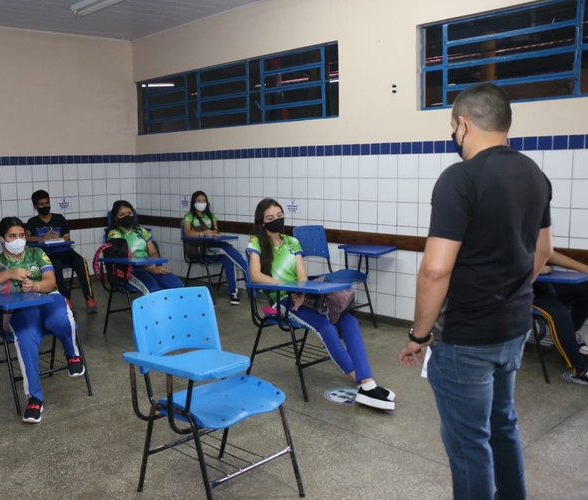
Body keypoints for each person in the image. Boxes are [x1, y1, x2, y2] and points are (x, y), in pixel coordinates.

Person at [398, 83, 552, 500]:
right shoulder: (535, 175)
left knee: (469, 446)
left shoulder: (460, 178)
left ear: (463, 124)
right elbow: (543, 251)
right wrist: (509, 291)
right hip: (514, 328)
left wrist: (419, 335)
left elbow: (435, 270)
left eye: (452, 125)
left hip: (465, 338)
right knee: (503, 425)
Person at [247, 198, 395, 411]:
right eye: (270, 218)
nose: (277, 221)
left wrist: (301, 289)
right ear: (262, 222)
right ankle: (363, 384)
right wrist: (289, 287)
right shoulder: (256, 243)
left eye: (279, 216)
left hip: (302, 295)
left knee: (349, 321)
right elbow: (255, 275)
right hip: (282, 300)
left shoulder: (292, 242)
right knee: (326, 327)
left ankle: (367, 380)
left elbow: (302, 275)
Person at [0, 216, 86, 424]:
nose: (17, 240)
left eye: (21, 235)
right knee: (26, 338)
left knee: (60, 318)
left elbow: (51, 281)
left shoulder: (37, 253)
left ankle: (72, 354)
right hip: (21, 309)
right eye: (12, 236)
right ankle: (35, 398)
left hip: (47, 299)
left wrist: (34, 286)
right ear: (2, 239)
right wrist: (10, 273)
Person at [25, 190, 98, 313]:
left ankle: (89, 298)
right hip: (47, 255)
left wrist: (58, 236)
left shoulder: (59, 218)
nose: (45, 206)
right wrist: (42, 238)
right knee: (55, 266)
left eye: (47, 203)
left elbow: (67, 238)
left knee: (80, 261)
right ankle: (65, 299)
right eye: (41, 204)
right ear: (35, 206)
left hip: (64, 250)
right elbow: (26, 238)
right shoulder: (32, 222)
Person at [533, 250, 588, 384]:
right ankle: (580, 369)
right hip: (520, 290)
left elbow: (548, 253)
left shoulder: (529, 230)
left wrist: (586, 269)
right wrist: (532, 267)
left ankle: (569, 337)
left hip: (543, 285)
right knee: (559, 314)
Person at [183, 190, 248, 305]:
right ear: (194, 202)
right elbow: (187, 232)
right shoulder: (189, 217)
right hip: (199, 251)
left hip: (212, 247)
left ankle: (233, 293)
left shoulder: (211, 216)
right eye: (199, 201)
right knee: (225, 248)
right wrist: (203, 234)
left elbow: (216, 230)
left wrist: (213, 233)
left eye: (204, 200)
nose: (202, 203)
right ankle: (248, 270)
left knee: (227, 258)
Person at [106, 200, 184, 294]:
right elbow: (128, 255)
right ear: (115, 218)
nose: (127, 216)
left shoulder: (141, 231)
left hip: (150, 266)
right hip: (129, 271)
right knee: (153, 290)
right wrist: (149, 268)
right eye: (122, 215)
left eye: (129, 213)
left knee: (178, 287)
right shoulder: (114, 234)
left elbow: (153, 252)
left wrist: (153, 265)